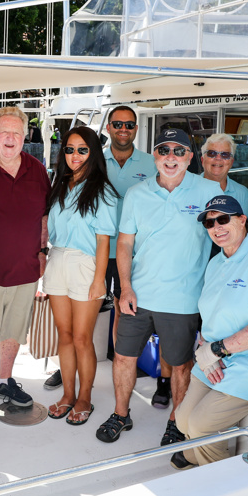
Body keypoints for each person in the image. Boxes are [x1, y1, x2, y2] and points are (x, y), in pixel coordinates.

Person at [99, 128, 221, 446]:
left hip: (184, 299)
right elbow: (124, 244)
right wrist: (125, 288)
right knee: (124, 358)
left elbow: (230, 231)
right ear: (154, 155)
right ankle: (121, 414)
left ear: (190, 158)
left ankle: (176, 421)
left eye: (179, 151)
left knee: (180, 364)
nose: (171, 157)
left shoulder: (208, 190)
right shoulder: (138, 194)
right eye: (164, 150)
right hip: (137, 295)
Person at [172, 195, 248, 468]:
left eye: (223, 219)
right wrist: (205, 345)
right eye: (210, 222)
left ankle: (220, 479)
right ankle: (199, 458)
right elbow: (211, 317)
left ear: (242, 220)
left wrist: (214, 350)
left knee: (200, 423)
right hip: (217, 356)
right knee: (182, 420)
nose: (217, 227)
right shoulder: (215, 264)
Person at [0, 107, 51, 418]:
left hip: (25, 271)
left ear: (26, 136)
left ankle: (4, 380)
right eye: (5, 132)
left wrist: (42, 252)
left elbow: (44, 216)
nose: (11, 138)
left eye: (17, 133)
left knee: (14, 331)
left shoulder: (37, 169)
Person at [42, 127, 118, 427]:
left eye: (82, 149)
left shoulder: (103, 190)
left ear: (94, 153)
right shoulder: (59, 184)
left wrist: (100, 280)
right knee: (65, 335)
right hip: (57, 258)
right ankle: (68, 395)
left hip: (87, 265)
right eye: (70, 149)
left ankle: (85, 397)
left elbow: (103, 241)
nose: (75, 155)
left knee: (83, 338)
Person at [100, 105, 157, 399]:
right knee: (86, 307)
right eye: (118, 123)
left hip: (133, 251)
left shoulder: (152, 163)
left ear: (136, 128)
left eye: (130, 124)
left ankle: (120, 359)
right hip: (95, 248)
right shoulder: (93, 159)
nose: (124, 129)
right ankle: (73, 366)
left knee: (126, 307)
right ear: (108, 127)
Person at [201, 133, 248, 215]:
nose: (218, 158)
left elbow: (245, 227)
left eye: (225, 154)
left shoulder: (243, 194)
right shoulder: (186, 190)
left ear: (231, 162)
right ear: (202, 160)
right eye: (212, 153)